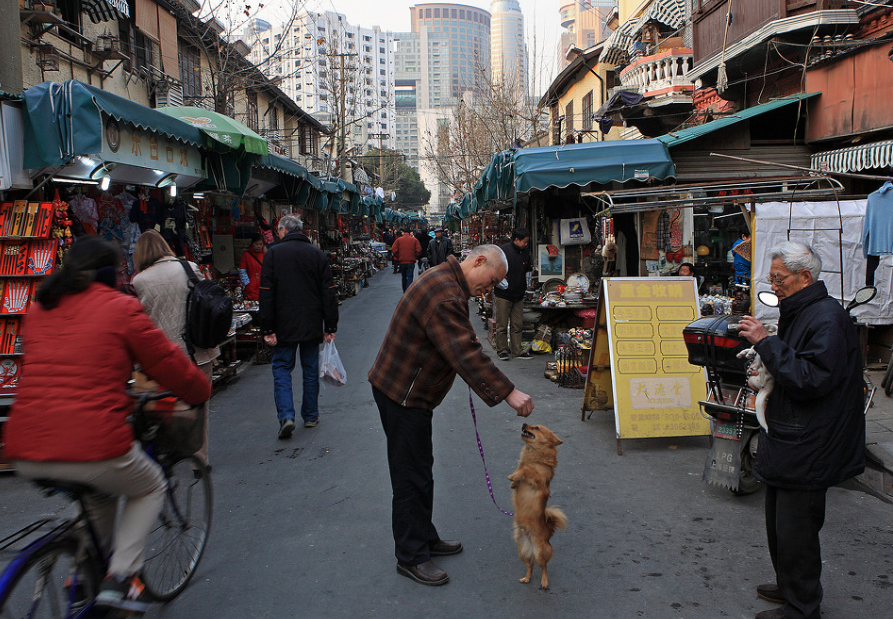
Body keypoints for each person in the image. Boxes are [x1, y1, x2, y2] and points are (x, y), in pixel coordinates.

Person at [3, 236, 210, 614]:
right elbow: (165, 362)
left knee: (98, 493)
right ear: (108, 273)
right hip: (90, 442)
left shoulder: (39, 308)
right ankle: (122, 578)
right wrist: (199, 389)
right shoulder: (118, 307)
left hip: (25, 445)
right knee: (149, 485)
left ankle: (83, 578)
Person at [368, 245, 534, 587]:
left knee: (420, 470)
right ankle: (411, 556)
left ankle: (423, 536)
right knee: (410, 475)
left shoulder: (447, 283)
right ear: (478, 261)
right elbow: (464, 352)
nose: (488, 290)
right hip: (403, 393)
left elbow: (457, 340)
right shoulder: (444, 293)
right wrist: (508, 392)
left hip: (407, 391)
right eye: (490, 281)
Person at [736, 241, 864, 619]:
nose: (774, 285)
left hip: (811, 439)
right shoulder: (803, 311)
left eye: (779, 278)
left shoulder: (826, 318)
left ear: (804, 277)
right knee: (780, 521)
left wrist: (765, 341)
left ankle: (803, 606)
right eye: (771, 278)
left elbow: (811, 378)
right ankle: (788, 584)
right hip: (791, 431)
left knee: (798, 529)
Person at [132, 229, 220, 470]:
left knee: (160, 407)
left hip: (159, 359)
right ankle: (199, 458)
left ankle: (163, 456)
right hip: (197, 351)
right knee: (199, 406)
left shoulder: (139, 281)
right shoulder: (189, 267)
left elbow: (137, 322)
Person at [259, 215, 338, 438]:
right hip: (311, 323)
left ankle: (286, 416)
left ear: (283, 230)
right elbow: (328, 292)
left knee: (282, 368)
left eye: (278, 230)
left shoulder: (273, 254)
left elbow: (266, 293)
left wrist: (267, 328)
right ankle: (311, 415)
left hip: (283, 324)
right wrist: (330, 324)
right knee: (310, 369)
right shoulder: (317, 254)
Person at [494, 228, 532, 361]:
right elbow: (494, 270)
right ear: (516, 240)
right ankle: (502, 350)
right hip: (503, 294)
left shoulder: (525, 252)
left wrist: (527, 285)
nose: (526, 244)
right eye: (525, 242)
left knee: (517, 325)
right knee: (502, 325)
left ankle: (517, 351)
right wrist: (502, 283)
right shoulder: (503, 251)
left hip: (519, 294)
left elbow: (528, 270)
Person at [391, 228, 422, 292]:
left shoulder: (398, 240)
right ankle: (409, 291)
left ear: (403, 232)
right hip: (411, 261)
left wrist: (399, 257)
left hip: (402, 261)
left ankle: (405, 290)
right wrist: (414, 256)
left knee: (404, 277)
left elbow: (394, 250)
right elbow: (418, 250)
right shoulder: (414, 240)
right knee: (410, 276)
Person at [238, 234, 266, 301]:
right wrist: (247, 283)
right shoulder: (246, 255)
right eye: (256, 244)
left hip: (263, 286)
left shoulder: (265, 254)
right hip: (251, 288)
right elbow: (242, 270)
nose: (259, 246)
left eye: (261, 244)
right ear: (252, 244)